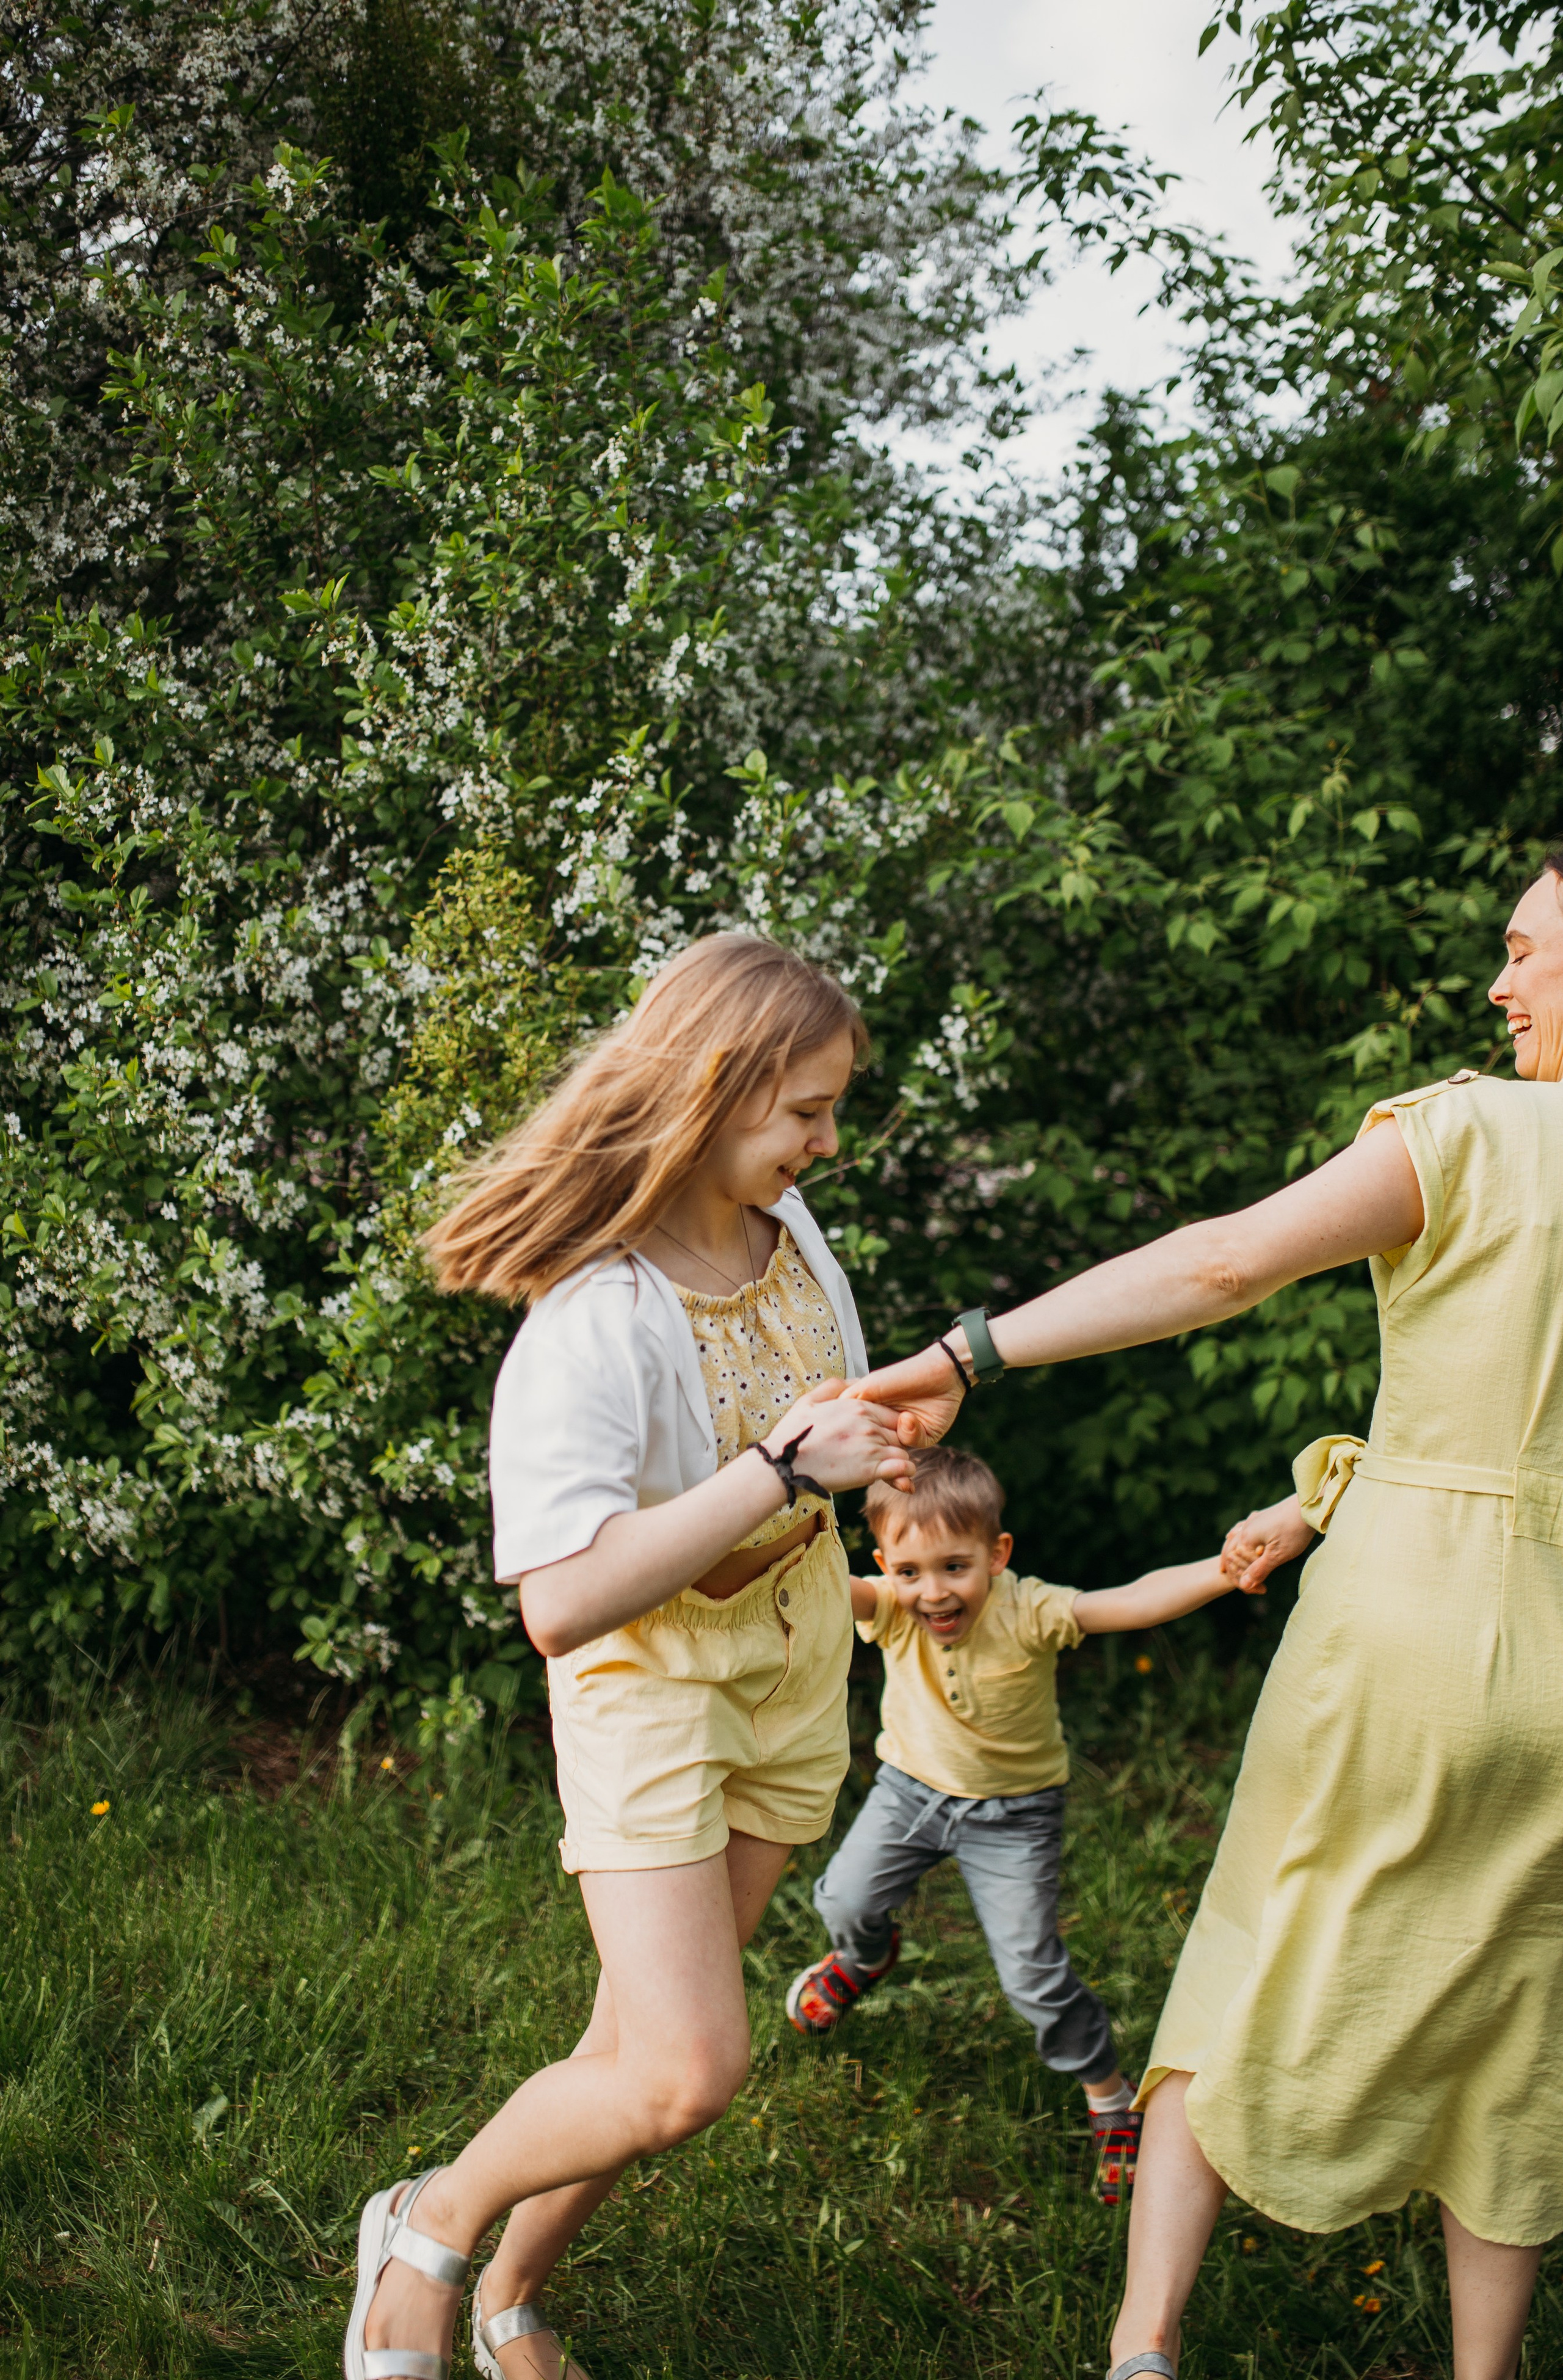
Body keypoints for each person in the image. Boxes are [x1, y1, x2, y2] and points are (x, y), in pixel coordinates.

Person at [854, 854, 1563, 2380]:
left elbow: (1222, 1259)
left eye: (1523, 953)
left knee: (1244, 1959)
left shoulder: (1467, 1131)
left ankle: (1143, 2342)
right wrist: (1325, 1484)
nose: (1497, 986)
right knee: (1518, 2020)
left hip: (1406, 1636)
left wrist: (970, 1347)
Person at [341, 935, 912, 2380]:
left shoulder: (788, 1238)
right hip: (650, 1691)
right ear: (712, 1094)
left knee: (630, 2042)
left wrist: (875, 1466)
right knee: (683, 2068)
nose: (825, 1140)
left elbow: (818, 1422)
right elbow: (560, 1598)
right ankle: (429, 2219)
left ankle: (508, 2296)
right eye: (801, 1110)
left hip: (788, 1675)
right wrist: (787, 1468)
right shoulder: (594, 1314)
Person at [783, 1445, 1263, 2205]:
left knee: (1032, 1975)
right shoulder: (887, 1608)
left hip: (1014, 1817)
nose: (933, 1593)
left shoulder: (1031, 1609)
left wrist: (1224, 1570)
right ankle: (864, 1959)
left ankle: (1107, 2093)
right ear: (883, 1564)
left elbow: (1131, 1601)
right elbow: (806, 1576)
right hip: (910, 1793)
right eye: (908, 1573)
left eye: (954, 1568)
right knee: (843, 1900)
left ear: (997, 1555)